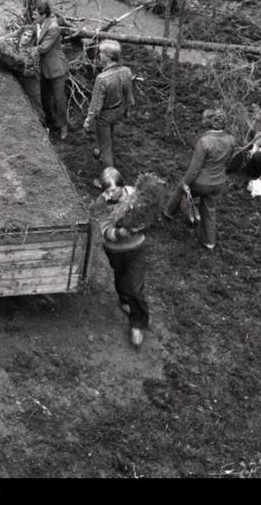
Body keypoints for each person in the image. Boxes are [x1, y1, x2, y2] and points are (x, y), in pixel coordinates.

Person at [89, 167, 149, 348]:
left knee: (135, 288)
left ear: (123, 186)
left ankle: (137, 324)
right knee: (121, 278)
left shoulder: (135, 195)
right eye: (107, 191)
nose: (111, 194)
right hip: (115, 250)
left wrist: (142, 223)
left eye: (114, 190)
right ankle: (123, 299)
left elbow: (147, 213)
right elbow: (106, 230)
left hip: (136, 247)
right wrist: (121, 232)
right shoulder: (101, 204)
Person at [162, 108, 236, 251]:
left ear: (209, 123)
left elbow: (194, 169)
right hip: (218, 182)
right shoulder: (231, 140)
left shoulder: (204, 142)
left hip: (201, 183)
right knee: (209, 208)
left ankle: (168, 213)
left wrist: (185, 183)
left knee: (180, 190)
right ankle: (210, 242)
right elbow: (229, 162)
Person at [83, 39, 134, 181]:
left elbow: (96, 104)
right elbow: (128, 94)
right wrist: (127, 110)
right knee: (108, 136)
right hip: (118, 110)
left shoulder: (102, 78)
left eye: (101, 52)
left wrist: (88, 120)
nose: (99, 55)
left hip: (105, 115)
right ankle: (102, 152)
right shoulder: (126, 71)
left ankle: (108, 180)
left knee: (106, 149)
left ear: (108, 56)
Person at [31, 0, 69, 142]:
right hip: (43, 68)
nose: (33, 16)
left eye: (36, 14)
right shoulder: (38, 24)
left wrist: (26, 50)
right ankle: (50, 121)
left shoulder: (53, 28)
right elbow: (26, 32)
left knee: (59, 99)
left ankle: (63, 126)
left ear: (44, 15)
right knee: (45, 97)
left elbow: (44, 48)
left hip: (56, 68)